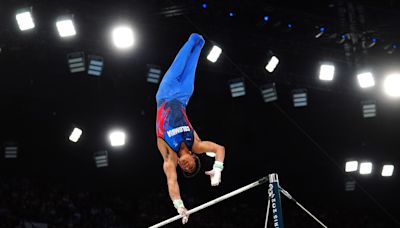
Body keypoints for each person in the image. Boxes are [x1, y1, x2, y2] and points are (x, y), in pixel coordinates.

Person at [155, 33, 225, 224]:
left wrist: (180, 206)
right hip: (184, 97)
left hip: (165, 94)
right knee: (195, 54)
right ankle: (198, 43)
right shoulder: (196, 143)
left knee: (183, 56)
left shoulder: (169, 156)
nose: (186, 166)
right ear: (194, 157)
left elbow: (172, 182)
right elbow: (220, 149)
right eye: (191, 165)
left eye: (184, 168)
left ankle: (192, 40)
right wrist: (217, 169)